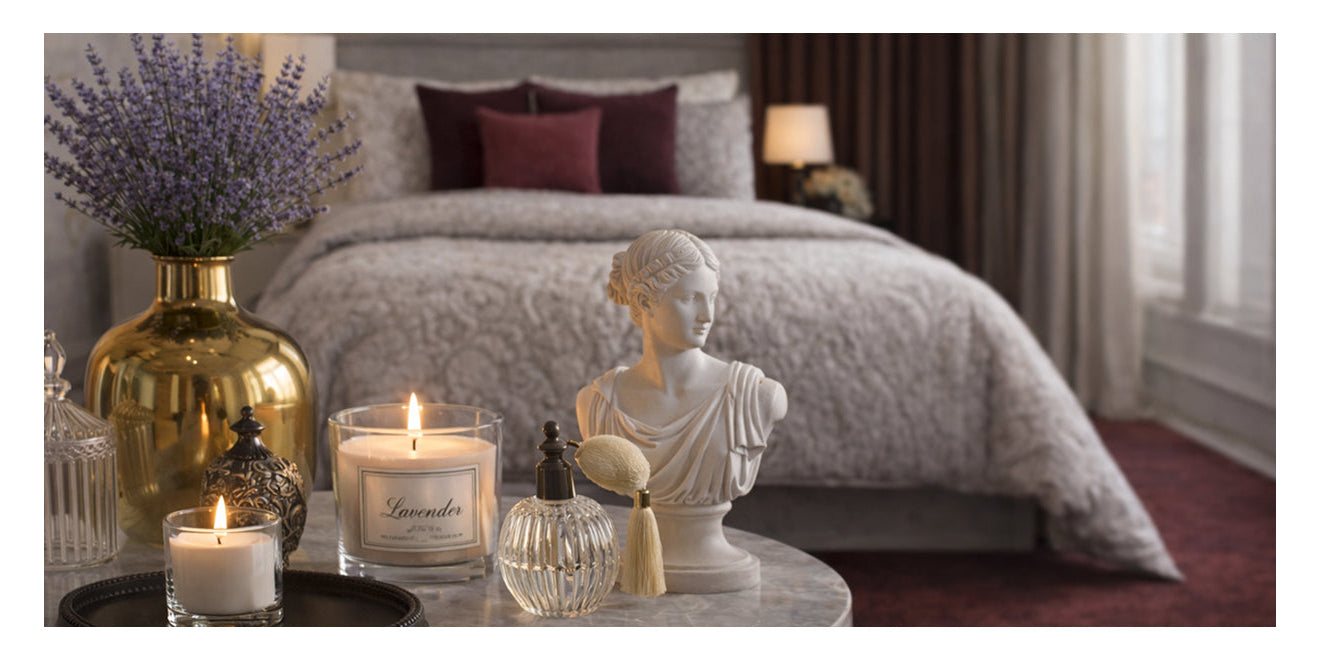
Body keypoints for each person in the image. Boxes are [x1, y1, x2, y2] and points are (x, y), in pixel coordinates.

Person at [576, 229, 787, 592]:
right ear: (643, 301)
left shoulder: (754, 396)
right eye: (690, 298)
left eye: (712, 298)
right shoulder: (598, 403)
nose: (708, 315)